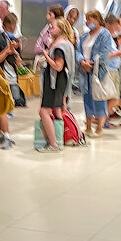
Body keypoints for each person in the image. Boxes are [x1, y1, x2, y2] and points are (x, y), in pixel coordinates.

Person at [37, 17, 76, 150]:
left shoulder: (59, 47)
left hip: (54, 82)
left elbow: (58, 66)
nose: (50, 29)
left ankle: (53, 143)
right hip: (61, 82)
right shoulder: (66, 43)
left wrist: (46, 56)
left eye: (53, 27)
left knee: (44, 112)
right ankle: (60, 139)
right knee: (58, 111)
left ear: (61, 29)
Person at [76, 10, 114, 137]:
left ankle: (99, 127)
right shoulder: (83, 36)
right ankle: (87, 126)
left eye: (90, 20)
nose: (88, 22)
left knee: (98, 97)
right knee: (87, 97)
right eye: (86, 20)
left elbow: (104, 53)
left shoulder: (105, 34)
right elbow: (78, 51)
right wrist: (82, 62)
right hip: (84, 71)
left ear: (98, 20)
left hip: (97, 71)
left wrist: (91, 64)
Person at [0, 12, 23, 149]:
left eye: (14, 28)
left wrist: (17, 57)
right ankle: (6, 135)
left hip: (12, 78)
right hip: (0, 77)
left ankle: (2, 134)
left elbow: (17, 62)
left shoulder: (15, 41)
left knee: (5, 107)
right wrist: (7, 51)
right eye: (10, 28)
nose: (12, 30)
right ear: (4, 26)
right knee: (3, 108)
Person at [104, 14, 121, 123]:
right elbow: (105, 55)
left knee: (113, 97)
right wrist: (118, 53)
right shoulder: (106, 36)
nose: (117, 27)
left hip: (113, 68)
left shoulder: (110, 36)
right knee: (114, 98)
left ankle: (103, 119)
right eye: (116, 25)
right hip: (110, 69)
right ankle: (103, 120)